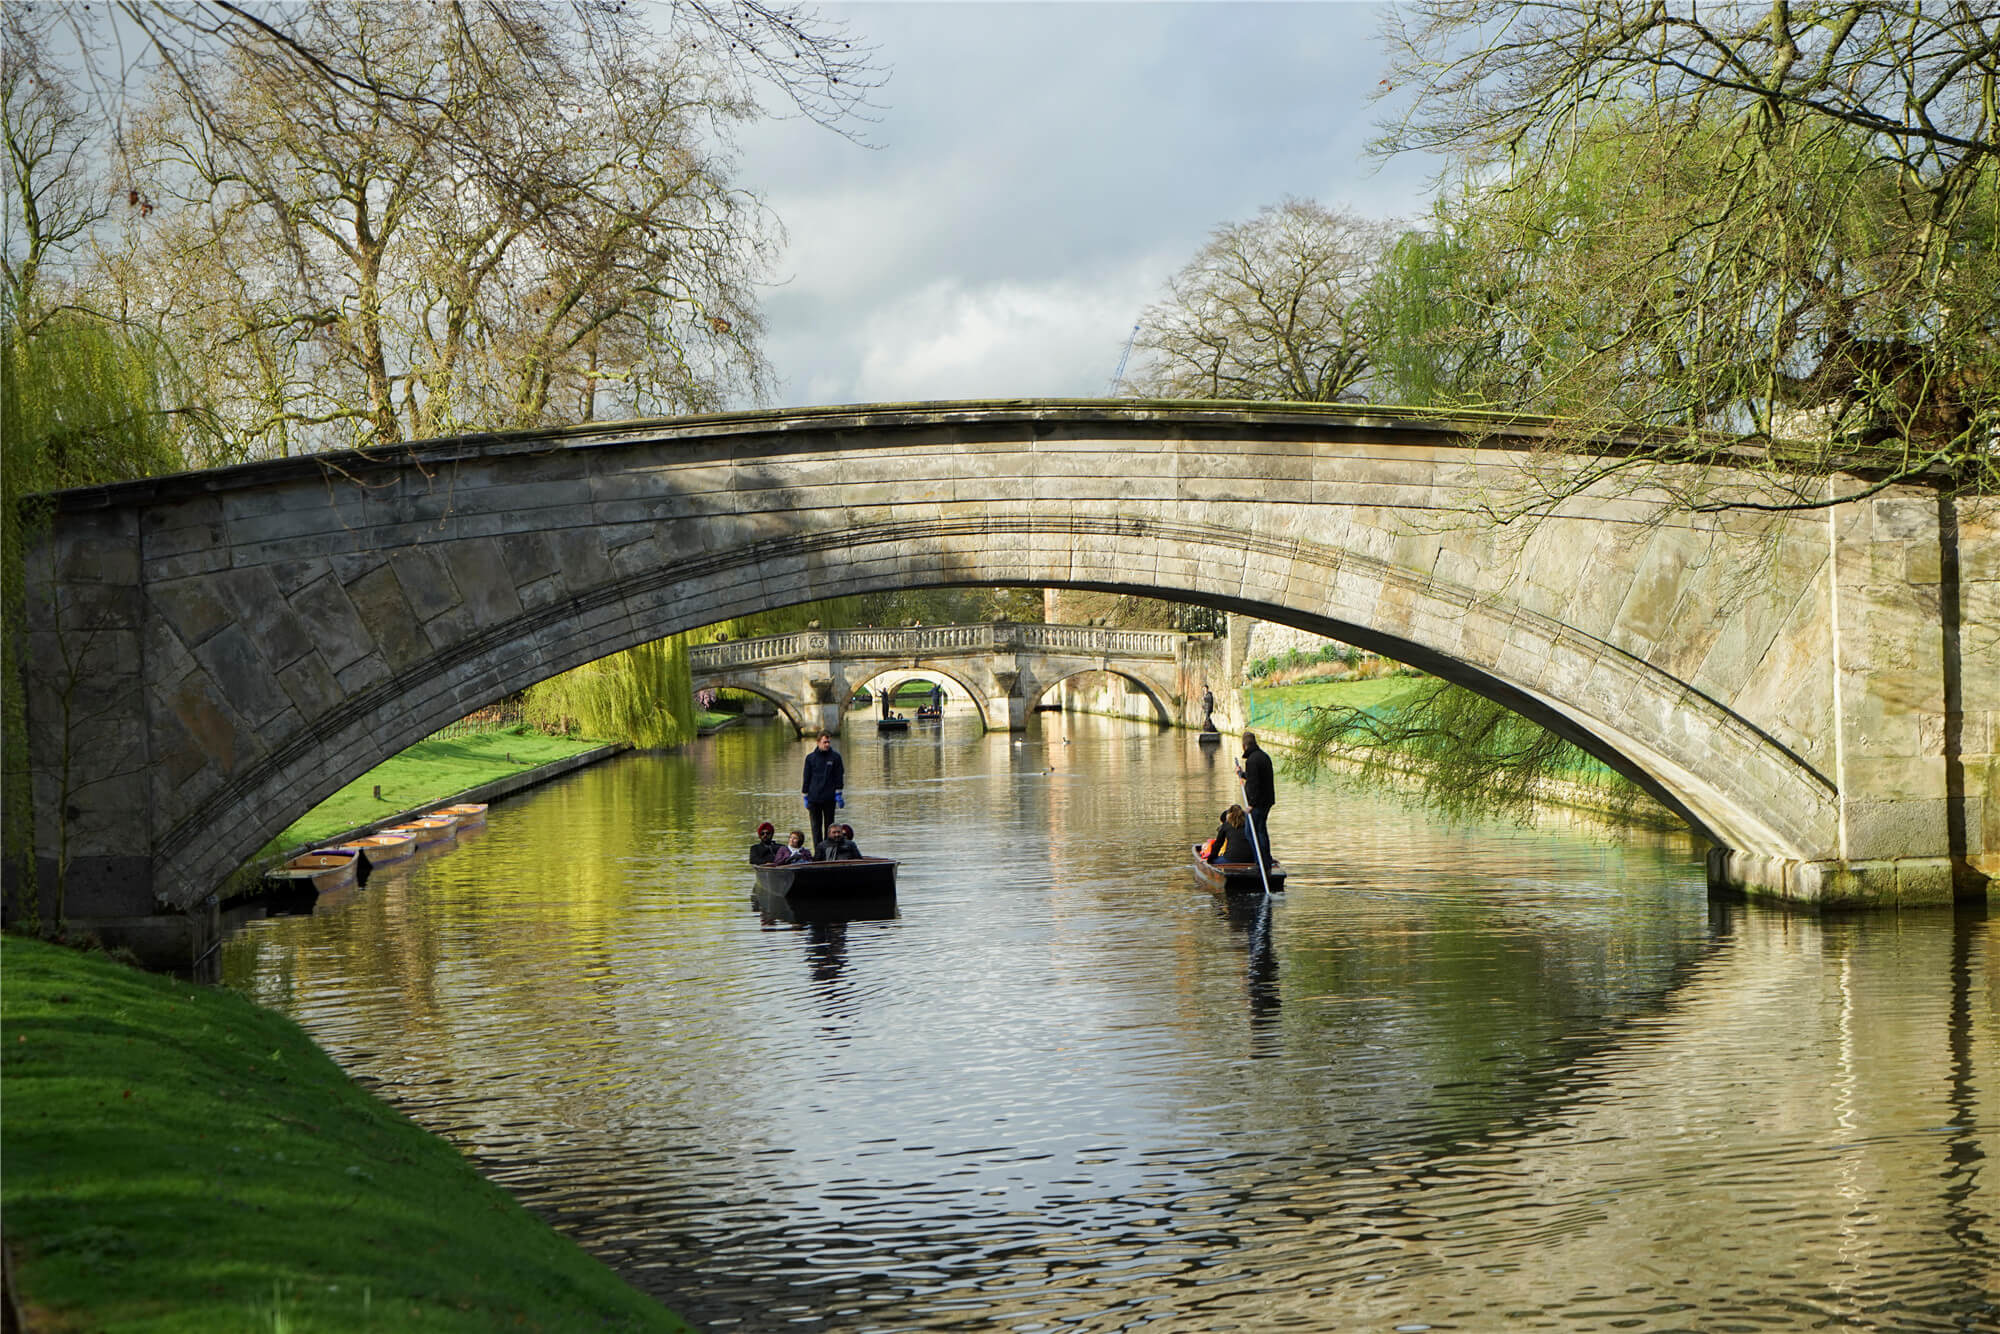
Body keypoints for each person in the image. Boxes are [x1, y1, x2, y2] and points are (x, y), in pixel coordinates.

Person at [1236, 730, 1276, 865]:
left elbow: (1254, 784)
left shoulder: (1252, 760)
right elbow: (1256, 777)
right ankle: (1266, 860)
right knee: (1261, 830)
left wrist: (1251, 805)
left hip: (1258, 803)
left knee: (1251, 833)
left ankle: (1260, 862)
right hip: (1267, 801)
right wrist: (1242, 774)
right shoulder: (1263, 756)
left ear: (1244, 746)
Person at [801, 731, 845, 847]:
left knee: (829, 827)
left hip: (829, 798)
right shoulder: (810, 758)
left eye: (828, 742)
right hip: (814, 798)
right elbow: (806, 777)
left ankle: (829, 851)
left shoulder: (835, 757)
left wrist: (839, 793)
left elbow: (839, 776)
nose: (827, 745)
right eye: (824, 742)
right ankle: (818, 853)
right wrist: (805, 795)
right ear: (818, 742)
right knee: (816, 828)